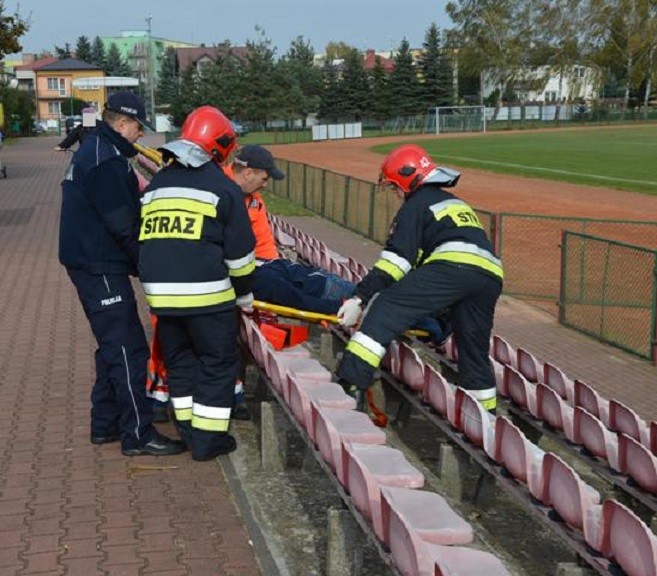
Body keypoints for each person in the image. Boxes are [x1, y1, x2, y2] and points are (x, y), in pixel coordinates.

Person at [59, 91, 185, 457]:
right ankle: (139, 435)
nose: (140, 136)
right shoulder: (105, 159)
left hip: (93, 260)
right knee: (129, 348)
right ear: (123, 123)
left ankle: (106, 424)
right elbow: (123, 224)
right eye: (138, 128)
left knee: (113, 345)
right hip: (97, 264)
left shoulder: (100, 149)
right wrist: (150, 269)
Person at [336, 144, 503, 413]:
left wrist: (360, 297)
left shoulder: (416, 205)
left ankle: (349, 386)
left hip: (453, 266)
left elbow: (396, 263)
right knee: (473, 351)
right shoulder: (454, 203)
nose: (396, 194)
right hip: (490, 275)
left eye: (394, 187)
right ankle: (486, 421)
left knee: (385, 308)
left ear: (406, 179)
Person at [138, 105, 256, 462]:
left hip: (161, 299)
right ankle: (207, 441)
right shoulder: (222, 187)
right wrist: (245, 295)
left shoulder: (157, 184)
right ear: (219, 146)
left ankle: (189, 430)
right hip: (208, 300)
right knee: (218, 364)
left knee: (180, 362)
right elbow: (239, 255)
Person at [225, 144, 356, 315]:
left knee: (315, 278)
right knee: (292, 288)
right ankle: (346, 306)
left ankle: (364, 297)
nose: (265, 185)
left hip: (267, 263)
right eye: (264, 179)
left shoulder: (251, 195)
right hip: (248, 273)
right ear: (248, 173)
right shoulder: (221, 193)